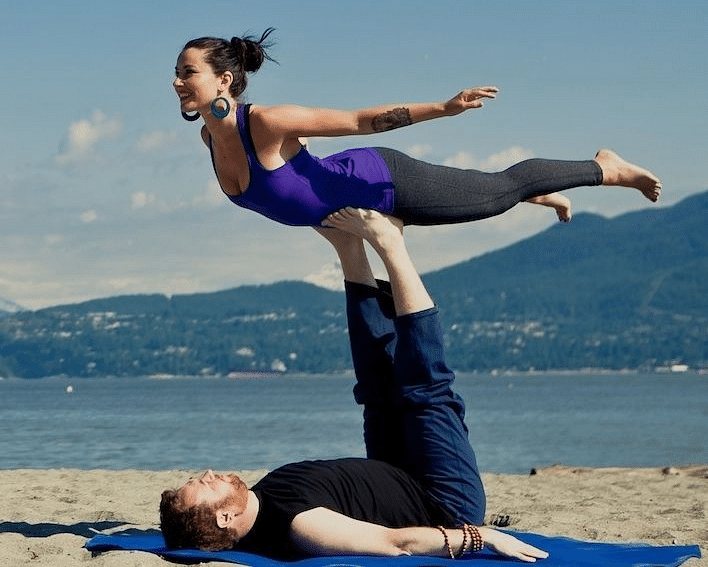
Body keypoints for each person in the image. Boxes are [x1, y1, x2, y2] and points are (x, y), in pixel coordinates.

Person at [160, 207, 549, 563]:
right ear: (226, 517)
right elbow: (395, 544)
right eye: (203, 485)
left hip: (395, 470)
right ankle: (391, 243)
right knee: (425, 390)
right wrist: (481, 537)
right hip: (444, 502)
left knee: (376, 390)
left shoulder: (259, 497)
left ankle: (348, 245)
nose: (209, 472)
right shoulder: (299, 527)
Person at [173, 30, 661, 230]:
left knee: (495, 193)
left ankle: (604, 167)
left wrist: (444, 109)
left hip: (384, 183)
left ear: (225, 79)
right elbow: (303, 193)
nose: (177, 81)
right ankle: (540, 194)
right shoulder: (210, 138)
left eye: (187, 72)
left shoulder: (267, 123)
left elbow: (360, 120)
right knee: (489, 192)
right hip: (361, 206)